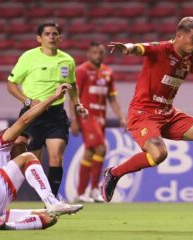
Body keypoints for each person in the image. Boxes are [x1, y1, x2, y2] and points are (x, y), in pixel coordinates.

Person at [101, 16, 193, 203]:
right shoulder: (162, 49)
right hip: (144, 113)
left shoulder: (188, 59)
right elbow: (140, 48)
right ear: (179, 36)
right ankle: (114, 173)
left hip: (168, 113)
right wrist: (127, 48)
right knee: (159, 155)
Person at [0, 84, 83, 230]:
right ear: (13, 139)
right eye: (22, 144)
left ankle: (6, 226)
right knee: (28, 157)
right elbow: (24, 121)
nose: (23, 147)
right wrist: (53, 98)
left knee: (49, 217)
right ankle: (51, 201)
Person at [7, 21, 88, 197]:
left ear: (60, 37)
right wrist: (27, 101)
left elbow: (72, 86)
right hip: (33, 114)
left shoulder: (67, 60)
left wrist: (77, 105)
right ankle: (11, 192)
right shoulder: (29, 57)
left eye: (55, 34)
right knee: (33, 160)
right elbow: (11, 84)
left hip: (56, 114)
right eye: (47, 34)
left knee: (56, 156)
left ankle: (50, 201)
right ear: (39, 38)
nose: (52, 36)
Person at [70, 41, 126, 203]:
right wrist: (74, 119)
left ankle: (81, 193)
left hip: (101, 117)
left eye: (100, 52)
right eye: (94, 52)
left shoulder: (108, 72)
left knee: (90, 152)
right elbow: (74, 96)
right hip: (87, 116)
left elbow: (112, 98)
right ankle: (94, 188)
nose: (97, 55)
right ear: (88, 54)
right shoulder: (81, 71)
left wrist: (121, 116)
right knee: (101, 148)